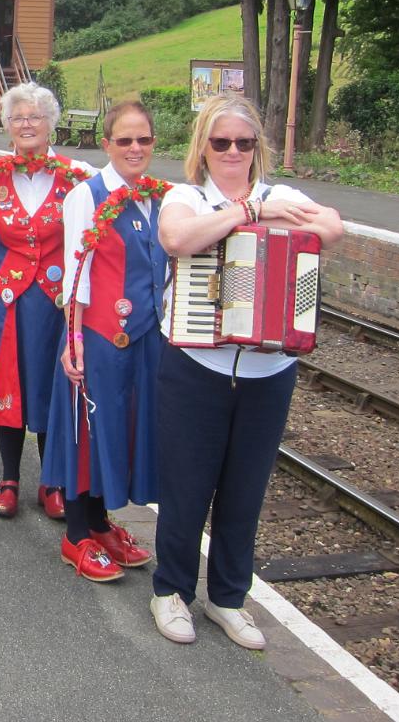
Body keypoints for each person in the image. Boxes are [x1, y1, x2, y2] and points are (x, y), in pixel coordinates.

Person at [150, 93, 343, 648]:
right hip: (195, 364)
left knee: (244, 492)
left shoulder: (280, 194)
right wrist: (247, 214)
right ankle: (171, 592)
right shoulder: (185, 195)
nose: (233, 151)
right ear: (203, 148)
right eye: (221, 142)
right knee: (186, 489)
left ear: (257, 148)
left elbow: (331, 230)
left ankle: (229, 599)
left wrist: (277, 210)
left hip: (268, 372)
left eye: (244, 142)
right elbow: (177, 239)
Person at [0, 84, 94, 516]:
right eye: (17, 118)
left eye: (35, 117)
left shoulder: (78, 175)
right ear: (6, 127)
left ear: (50, 125)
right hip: (4, 303)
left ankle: (53, 482)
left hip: (55, 305)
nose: (26, 125)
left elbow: (91, 242)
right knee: (7, 389)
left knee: (52, 390)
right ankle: (10, 478)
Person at [45, 100, 164, 583]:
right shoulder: (87, 196)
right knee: (87, 431)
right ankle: (76, 534)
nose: (135, 149)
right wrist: (72, 340)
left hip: (145, 339)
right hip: (98, 336)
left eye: (144, 140)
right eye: (125, 140)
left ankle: (99, 522)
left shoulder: (159, 197)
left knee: (117, 431)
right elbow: (77, 274)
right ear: (106, 144)